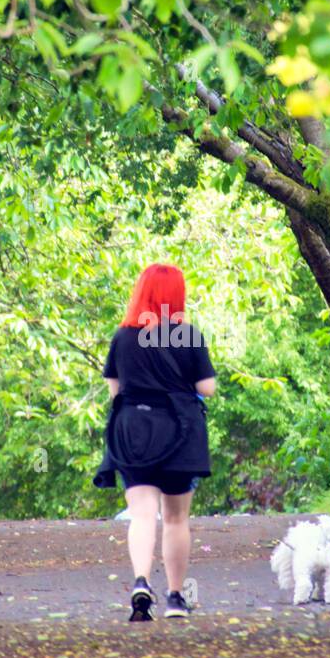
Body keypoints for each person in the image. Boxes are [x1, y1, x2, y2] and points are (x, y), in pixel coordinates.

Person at [93, 264, 216, 621]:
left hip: (134, 431)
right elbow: (206, 388)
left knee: (142, 514)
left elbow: (116, 390)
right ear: (177, 296)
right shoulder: (187, 334)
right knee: (176, 519)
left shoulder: (123, 336)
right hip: (179, 432)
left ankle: (140, 581)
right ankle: (175, 598)